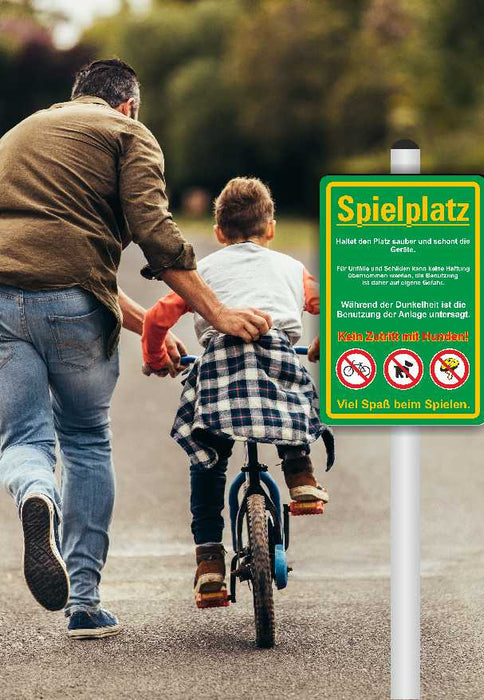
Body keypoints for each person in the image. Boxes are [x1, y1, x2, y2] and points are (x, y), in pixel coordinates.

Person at [0, 59, 272, 639]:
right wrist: (217, 312)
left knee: (23, 439)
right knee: (84, 438)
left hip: (1, 303)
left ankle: (36, 495)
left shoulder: (18, 135)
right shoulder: (128, 134)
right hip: (74, 306)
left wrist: (151, 323)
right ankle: (83, 602)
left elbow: (56, 263)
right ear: (129, 105)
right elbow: (154, 232)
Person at [141, 176, 331, 606]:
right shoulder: (289, 268)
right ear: (271, 229)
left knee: (207, 459)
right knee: (293, 400)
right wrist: (327, 341)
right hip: (274, 360)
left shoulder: (201, 274)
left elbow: (156, 318)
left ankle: (209, 562)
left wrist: (155, 359)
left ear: (218, 234)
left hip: (219, 375)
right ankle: (300, 478)